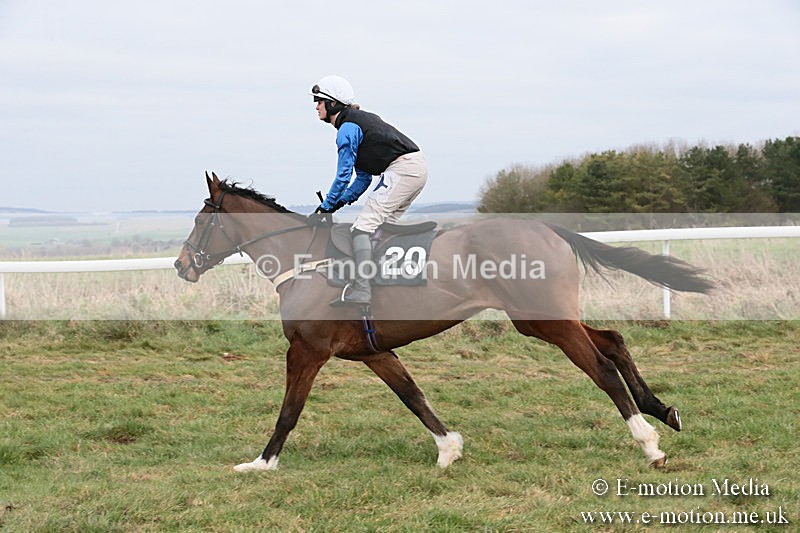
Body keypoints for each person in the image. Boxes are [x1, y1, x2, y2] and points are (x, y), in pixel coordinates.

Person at [310, 75, 428, 307]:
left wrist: (325, 206)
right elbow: (362, 179)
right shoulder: (356, 123)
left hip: (402, 170)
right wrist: (338, 203)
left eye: (319, 101)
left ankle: (362, 290)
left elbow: (343, 175)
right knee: (380, 230)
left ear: (332, 103)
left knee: (362, 228)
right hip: (412, 168)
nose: (316, 106)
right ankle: (381, 284)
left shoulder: (347, 129)